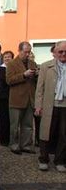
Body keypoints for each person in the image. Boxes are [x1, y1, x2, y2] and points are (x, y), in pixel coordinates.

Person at [35, 40, 66, 172]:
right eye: (61, 51)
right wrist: (38, 105)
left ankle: (60, 160)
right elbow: (39, 88)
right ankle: (43, 159)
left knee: (64, 134)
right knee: (46, 132)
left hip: (64, 105)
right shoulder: (46, 66)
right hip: (49, 104)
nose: (63, 54)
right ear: (55, 52)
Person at [6, 42, 38, 154]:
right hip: (16, 99)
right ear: (19, 51)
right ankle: (14, 145)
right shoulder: (11, 64)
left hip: (30, 98)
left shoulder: (33, 63)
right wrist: (24, 75)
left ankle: (26, 145)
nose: (28, 54)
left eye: (29, 52)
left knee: (28, 125)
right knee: (15, 125)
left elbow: (35, 81)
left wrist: (36, 74)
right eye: (26, 52)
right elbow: (9, 80)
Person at [0, 50, 14, 146]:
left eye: (9, 57)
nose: (7, 58)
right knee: (3, 118)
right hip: (3, 97)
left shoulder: (15, 68)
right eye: (5, 57)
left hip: (13, 96)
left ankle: (12, 138)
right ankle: (4, 140)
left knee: (12, 119)